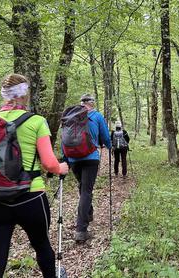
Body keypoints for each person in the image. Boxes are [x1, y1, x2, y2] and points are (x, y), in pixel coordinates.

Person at [0, 74, 68, 278]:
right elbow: (48, 163)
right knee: (42, 247)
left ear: (4, 95)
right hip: (30, 197)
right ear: (25, 94)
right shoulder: (36, 122)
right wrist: (61, 168)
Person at [63, 94, 111, 243]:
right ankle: (81, 230)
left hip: (73, 159)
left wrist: (65, 158)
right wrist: (110, 147)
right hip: (90, 158)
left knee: (83, 187)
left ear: (81, 103)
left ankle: (88, 213)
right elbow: (105, 136)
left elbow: (64, 136)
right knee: (86, 191)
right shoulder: (96, 115)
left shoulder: (71, 115)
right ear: (92, 103)